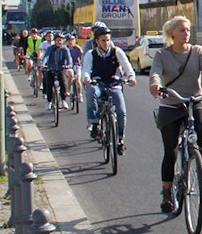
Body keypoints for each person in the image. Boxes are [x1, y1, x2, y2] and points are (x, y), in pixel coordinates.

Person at [149, 16, 202, 214]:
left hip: (193, 101)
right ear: (171, 33)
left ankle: (200, 153)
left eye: (188, 30)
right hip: (171, 104)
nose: (186, 34)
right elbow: (155, 72)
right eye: (182, 30)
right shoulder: (161, 54)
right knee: (170, 152)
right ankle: (166, 192)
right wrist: (155, 85)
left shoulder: (197, 51)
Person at [82, 24, 138, 153]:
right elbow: (86, 70)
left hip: (114, 84)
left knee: (121, 111)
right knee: (91, 93)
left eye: (108, 40)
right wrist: (86, 79)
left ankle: (120, 139)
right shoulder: (91, 54)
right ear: (97, 41)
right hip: (98, 83)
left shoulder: (116, 51)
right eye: (103, 40)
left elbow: (127, 66)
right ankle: (94, 123)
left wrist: (131, 77)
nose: (106, 43)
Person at [41, 32, 74, 110]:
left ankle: (63, 101)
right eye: (58, 40)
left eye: (61, 40)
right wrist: (43, 64)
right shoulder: (50, 49)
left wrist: (69, 65)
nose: (59, 42)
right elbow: (46, 57)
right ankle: (49, 102)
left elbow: (69, 59)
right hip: (51, 68)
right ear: (55, 41)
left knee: (63, 83)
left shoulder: (65, 49)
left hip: (61, 69)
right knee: (49, 84)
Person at [66, 32, 84, 102]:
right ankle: (68, 89)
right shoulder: (65, 49)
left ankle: (80, 95)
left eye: (72, 40)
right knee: (70, 74)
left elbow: (82, 56)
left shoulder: (77, 49)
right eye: (69, 41)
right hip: (68, 66)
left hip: (77, 65)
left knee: (78, 79)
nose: (70, 42)